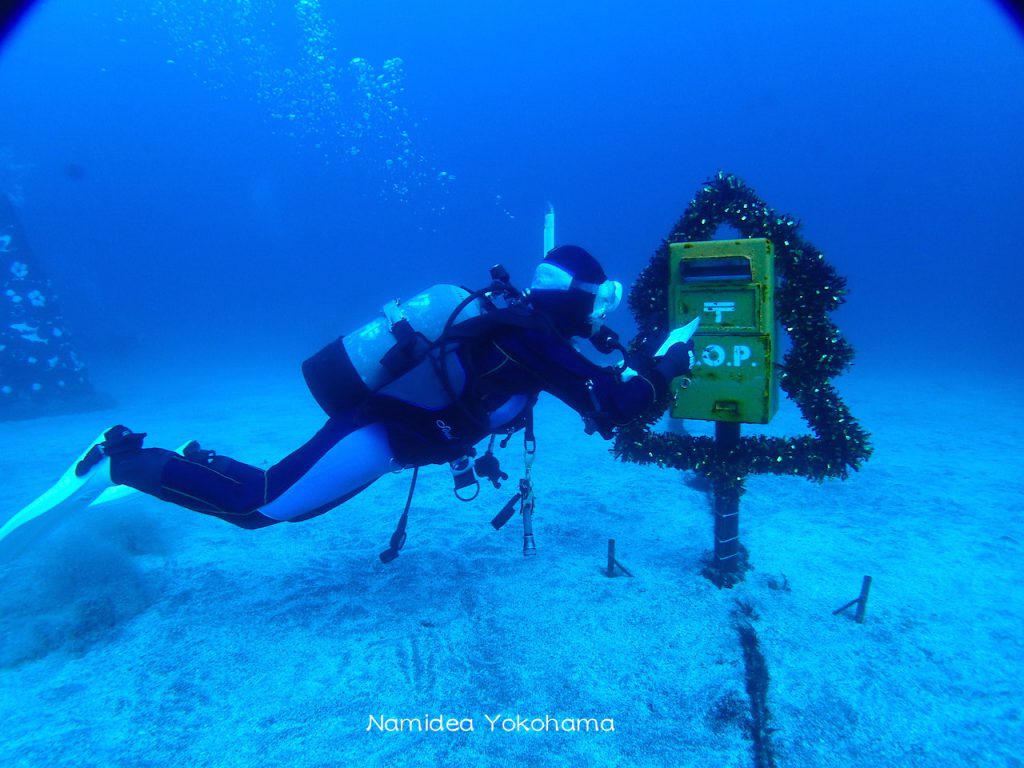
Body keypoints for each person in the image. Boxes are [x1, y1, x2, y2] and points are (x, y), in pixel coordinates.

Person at [78, 245, 693, 537]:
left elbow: (597, 388)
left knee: (288, 497)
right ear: (578, 297)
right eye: (597, 301)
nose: (596, 316)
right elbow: (613, 406)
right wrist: (669, 364)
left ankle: (196, 456)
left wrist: (647, 362)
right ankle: (120, 458)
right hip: (377, 432)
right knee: (258, 509)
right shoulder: (529, 337)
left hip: (393, 436)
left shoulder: (522, 329)